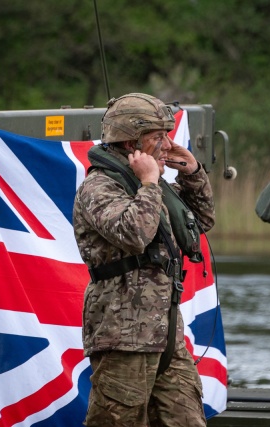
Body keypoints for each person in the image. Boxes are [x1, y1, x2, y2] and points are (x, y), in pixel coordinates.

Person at [73, 93, 215, 426]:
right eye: (157, 137)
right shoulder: (100, 187)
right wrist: (150, 181)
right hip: (123, 335)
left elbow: (200, 222)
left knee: (187, 419)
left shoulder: (152, 189)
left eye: (167, 135)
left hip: (165, 334)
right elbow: (134, 233)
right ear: (130, 141)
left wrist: (192, 172)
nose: (167, 145)